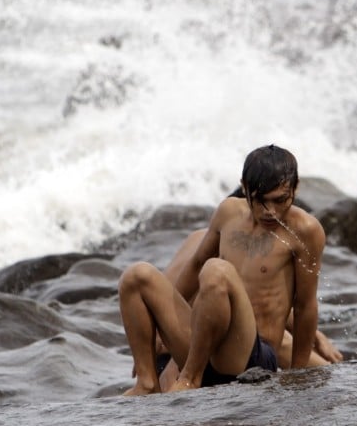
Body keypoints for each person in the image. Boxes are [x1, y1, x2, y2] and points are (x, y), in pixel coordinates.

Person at [118, 144, 335, 394]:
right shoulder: (228, 212)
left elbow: (306, 305)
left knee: (217, 270)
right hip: (203, 343)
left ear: (295, 190)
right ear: (244, 187)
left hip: (249, 357)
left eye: (280, 201)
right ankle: (146, 382)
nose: (270, 211)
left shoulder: (306, 230)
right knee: (137, 275)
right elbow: (195, 265)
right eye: (260, 201)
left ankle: (190, 378)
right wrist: (159, 330)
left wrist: (299, 376)